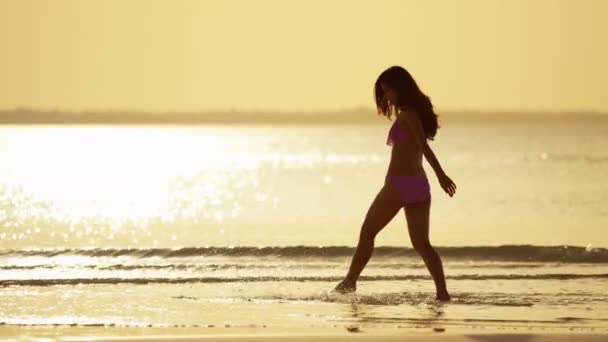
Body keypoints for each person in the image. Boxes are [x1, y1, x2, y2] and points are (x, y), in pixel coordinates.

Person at [334, 66, 456, 301]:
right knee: (422, 244)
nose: (387, 96)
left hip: (399, 186)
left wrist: (442, 175)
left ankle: (350, 282)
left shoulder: (409, 114)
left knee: (367, 232)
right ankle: (442, 294)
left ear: (400, 88)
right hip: (419, 186)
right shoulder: (411, 112)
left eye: (388, 91)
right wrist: (438, 177)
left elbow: (423, 147)